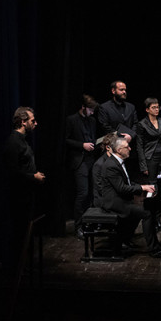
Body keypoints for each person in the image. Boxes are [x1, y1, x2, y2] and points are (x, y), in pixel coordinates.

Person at [99, 135, 161, 257]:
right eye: (127, 147)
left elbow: (127, 183)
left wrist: (143, 186)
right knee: (146, 213)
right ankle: (154, 249)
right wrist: (142, 188)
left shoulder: (118, 162)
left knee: (143, 208)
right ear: (119, 150)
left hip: (121, 200)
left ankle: (127, 239)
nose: (130, 149)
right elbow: (122, 188)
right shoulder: (111, 166)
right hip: (114, 203)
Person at [3, 107, 45, 273]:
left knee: (27, 230)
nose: (35, 123)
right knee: (20, 231)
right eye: (32, 120)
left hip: (27, 193)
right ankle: (18, 268)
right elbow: (12, 171)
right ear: (23, 122)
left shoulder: (22, 140)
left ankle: (24, 265)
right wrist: (33, 177)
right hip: (20, 196)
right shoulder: (13, 142)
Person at [64, 94, 98, 234]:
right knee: (82, 193)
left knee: (93, 194)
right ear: (83, 107)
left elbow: (93, 138)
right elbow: (66, 140)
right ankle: (78, 226)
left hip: (92, 159)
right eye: (90, 109)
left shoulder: (92, 121)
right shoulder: (71, 120)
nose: (92, 112)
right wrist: (82, 145)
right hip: (80, 160)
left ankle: (92, 223)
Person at [135, 98, 161, 231]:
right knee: (153, 188)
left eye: (158, 107)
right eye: (154, 107)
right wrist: (143, 165)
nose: (156, 109)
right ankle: (152, 220)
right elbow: (139, 146)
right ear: (147, 109)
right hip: (150, 158)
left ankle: (159, 220)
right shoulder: (142, 124)